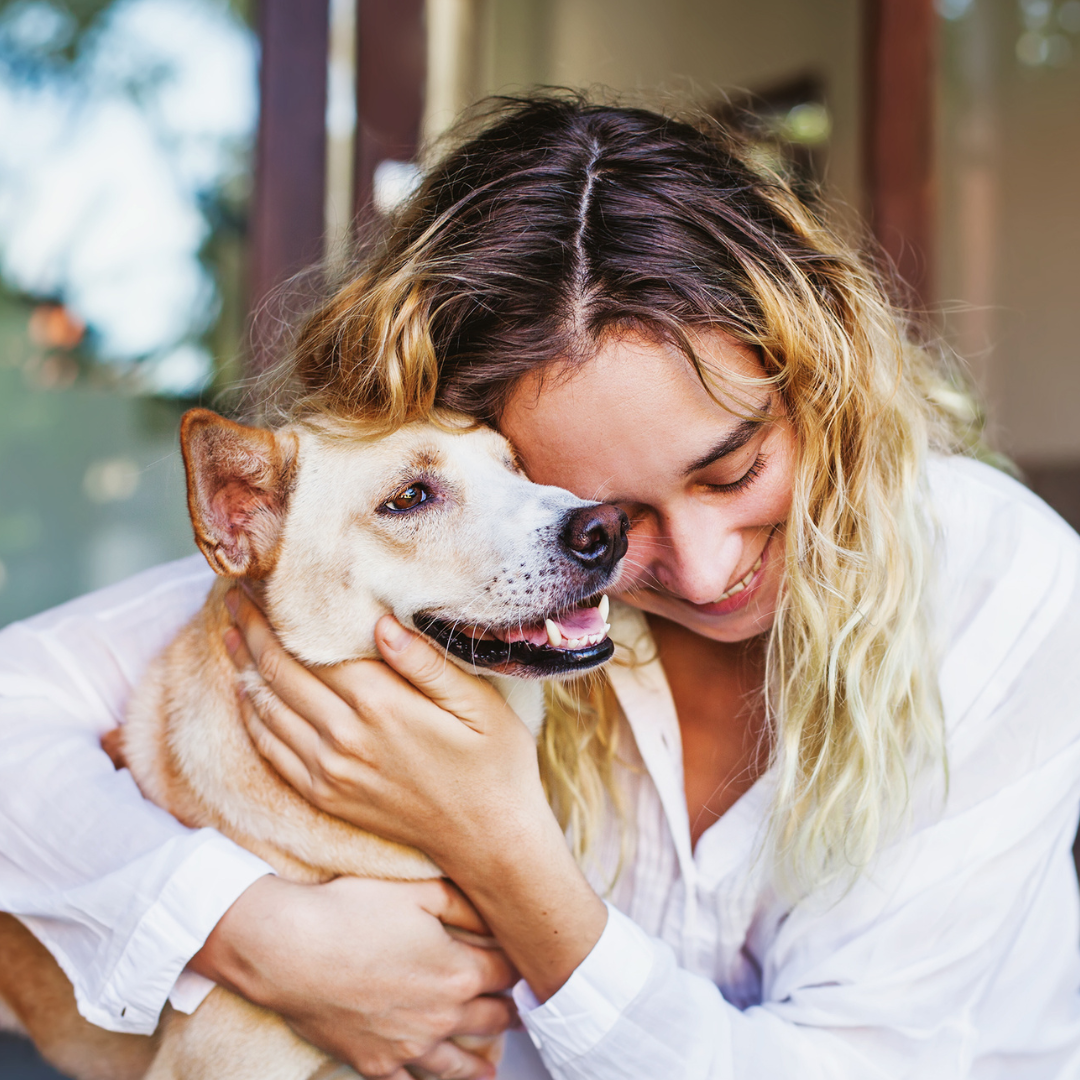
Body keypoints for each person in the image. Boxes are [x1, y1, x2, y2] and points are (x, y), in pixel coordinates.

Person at [2, 95, 1080, 1080]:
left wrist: (499, 842)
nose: (704, 573)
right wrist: (254, 933)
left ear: (822, 379)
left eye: (735, 469)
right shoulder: (478, 567)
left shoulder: (999, 580)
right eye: (602, 523)